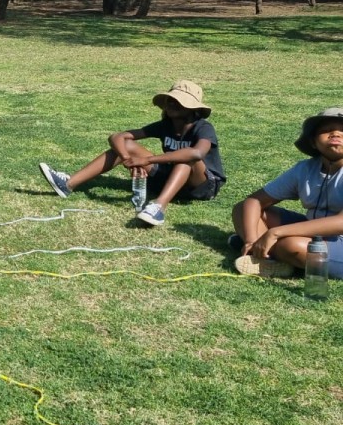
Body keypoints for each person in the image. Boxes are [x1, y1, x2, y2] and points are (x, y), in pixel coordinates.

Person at [38, 80, 225, 227]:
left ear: (192, 108)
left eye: (178, 101)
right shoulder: (165, 125)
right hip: (172, 179)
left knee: (186, 158)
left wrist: (147, 160)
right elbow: (117, 137)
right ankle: (67, 184)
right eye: (170, 100)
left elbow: (197, 153)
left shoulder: (203, 127)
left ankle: (158, 208)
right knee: (127, 145)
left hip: (202, 186)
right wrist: (128, 159)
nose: (171, 103)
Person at [232, 107, 343, 278]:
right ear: (313, 142)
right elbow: (255, 200)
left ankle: (273, 252)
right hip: (314, 230)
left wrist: (275, 232)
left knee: (291, 245)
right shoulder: (305, 168)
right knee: (243, 209)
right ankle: (262, 253)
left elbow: (340, 222)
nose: (335, 134)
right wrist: (251, 239)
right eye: (326, 130)